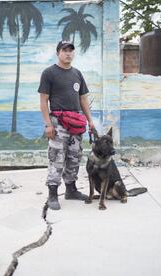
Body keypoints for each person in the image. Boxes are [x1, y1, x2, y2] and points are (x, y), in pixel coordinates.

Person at [38, 40, 95, 210]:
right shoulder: (49, 73)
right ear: (58, 53)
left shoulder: (77, 73)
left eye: (71, 50)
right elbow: (43, 101)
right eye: (64, 50)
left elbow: (83, 99)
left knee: (74, 156)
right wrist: (48, 125)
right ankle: (53, 193)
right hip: (58, 122)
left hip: (76, 123)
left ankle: (71, 189)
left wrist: (90, 120)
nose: (68, 53)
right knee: (56, 157)